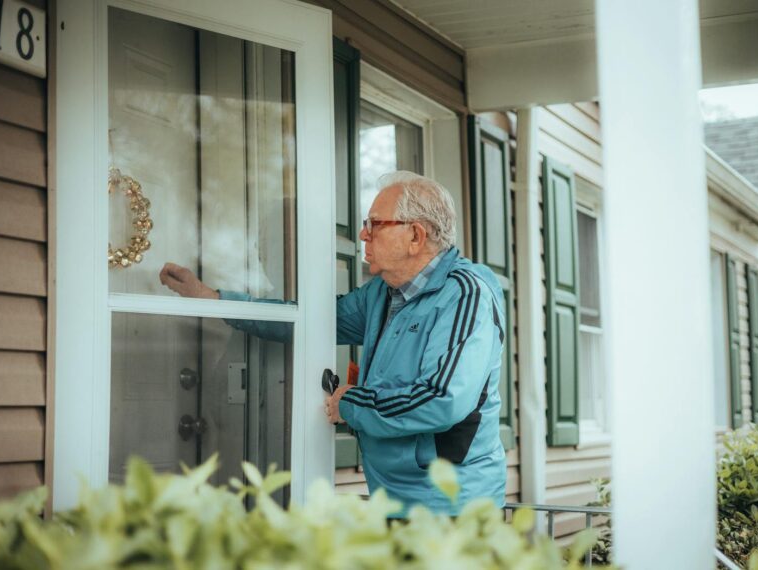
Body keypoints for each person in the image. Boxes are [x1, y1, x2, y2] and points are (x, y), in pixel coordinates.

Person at [160, 171, 507, 516]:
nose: (362, 234)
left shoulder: (465, 294)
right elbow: (305, 320)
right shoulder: (381, 295)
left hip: (452, 507)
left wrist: (351, 403)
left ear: (415, 235)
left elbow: (442, 399)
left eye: (375, 224)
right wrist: (212, 298)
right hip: (393, 500)